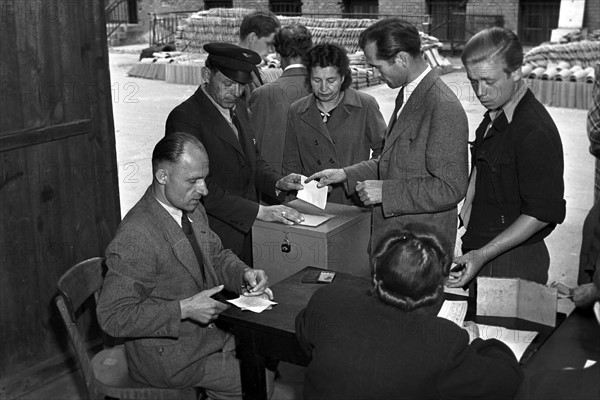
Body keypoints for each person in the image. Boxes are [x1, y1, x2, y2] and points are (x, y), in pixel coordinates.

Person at [97, 133, 274, 399]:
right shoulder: (137, 237)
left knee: (267, 350)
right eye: (193, 181)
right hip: (168, 357)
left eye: (204, 178)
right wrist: (184, 309)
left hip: (203, 337)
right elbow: (112, 317)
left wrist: (244, 273)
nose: (204, 190)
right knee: (260, 381)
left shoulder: (190, 207)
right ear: (162, 176)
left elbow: (215, 255)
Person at [295, 225, 523, 400]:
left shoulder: (329, 299)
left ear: (376, 271)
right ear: (436, 289)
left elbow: (305, 332)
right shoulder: (444, 341)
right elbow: (508, 381)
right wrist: (478, 341)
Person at [306, 18, 468, 250]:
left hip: (420, 248)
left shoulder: (442, 105)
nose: (374, 73)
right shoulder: (409, 94)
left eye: (377, 66)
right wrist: (344, 174)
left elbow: (451, 187)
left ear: (401, 58)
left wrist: (386, 191)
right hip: (400, 241)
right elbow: (397, 160)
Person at [165, 43, 304, 266]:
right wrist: (259, 211)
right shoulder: (185, 118)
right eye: (228, 84)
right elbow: (197, 187)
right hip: (211, 236)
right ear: (206, 75)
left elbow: (253, 161)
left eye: (241, 85)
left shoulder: (239, 109)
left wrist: (278, 182)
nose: (236, 93)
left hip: (247, 234)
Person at [448, 27, 566, 289]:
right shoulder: (496, 115)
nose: (480, 92)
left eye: (489, 81)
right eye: (472, 81)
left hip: (514, 262)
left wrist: (484, 254)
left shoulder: (534, 130)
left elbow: (542, 213)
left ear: (516, 72)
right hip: (483, 250)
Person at [282, 43, 386, 206]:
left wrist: (356, 177)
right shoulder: (297, 110)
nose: (323, 88)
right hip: (312, 202)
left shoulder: (365, 105)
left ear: (343, 78)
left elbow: (385, 154)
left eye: (331, 80)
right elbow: (290, 163)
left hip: (353, 201)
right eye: (317, 80)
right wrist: (292, 200)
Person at [249, 23, 313, 175]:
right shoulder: (327, 90)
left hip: (276, 187)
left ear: (278, 54)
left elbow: (253, 149)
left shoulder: (263, 94)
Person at [237, 9, 280, 92]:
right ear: (252, 37)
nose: (271, 50)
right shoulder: (234, 71)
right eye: (268, 44)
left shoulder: (251, 67)